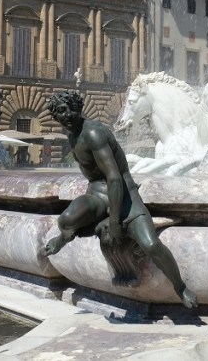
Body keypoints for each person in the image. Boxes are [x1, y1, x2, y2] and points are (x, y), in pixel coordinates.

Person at [43, 90, 198, 310]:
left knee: (151, 245)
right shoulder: (72, 135)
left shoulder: (93, 133)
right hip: (97, 195)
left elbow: (114, 178)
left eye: (69, 108)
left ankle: (180, 287)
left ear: (78, 107)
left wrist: (115, 223)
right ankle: (65, 237)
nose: (66, 114)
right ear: (55, 117)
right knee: (66, 220)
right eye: (60, 111)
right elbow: (96, 178)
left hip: (125, 194)